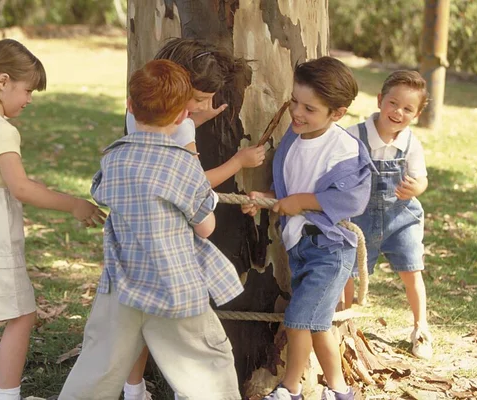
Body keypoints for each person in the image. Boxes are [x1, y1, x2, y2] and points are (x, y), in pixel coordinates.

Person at [58, 59, 244, 400]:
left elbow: (100, 191)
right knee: (206, 367)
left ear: (130, 107)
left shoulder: (113, 159)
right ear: (181, 116)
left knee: (98, 365)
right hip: (176, 286)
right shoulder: (184, 164)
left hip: (123, 285)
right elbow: (205, 228)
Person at [0, 39, 105, 400]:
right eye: (27, 90)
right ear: (2, 81)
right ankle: (8, 395)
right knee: (22, 317)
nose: (29, 99)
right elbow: (21, 190)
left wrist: (29, 183)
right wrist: (73, 204)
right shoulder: (2, 130)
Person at [123, 38, 265, 400]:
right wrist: (239, 162)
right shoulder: (182, 129)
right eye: (199, 98)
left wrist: (198, 114)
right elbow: (193, 183)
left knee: (137, 315)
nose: (203, 106)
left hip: (133, 234)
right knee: (190, 330)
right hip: (171, 241)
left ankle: (133, 385)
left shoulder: (139, 111)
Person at [241, 57, 373, 400]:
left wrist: (303, 201)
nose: (297, 113)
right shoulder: (294, 137)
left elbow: (351, 198)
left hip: (329, 250)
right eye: (294, 102)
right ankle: (342, 392)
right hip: (300, 249)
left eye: (309, 108)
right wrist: (267, 198)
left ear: (337, 114)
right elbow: (289, 191)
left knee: (298, 319)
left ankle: (290, 389)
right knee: (316, 326)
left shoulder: (344, 149)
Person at [343, 70, 432, 359]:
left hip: (400, 217)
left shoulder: (410, 144)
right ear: (380, 100)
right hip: (359, 217)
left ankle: (421, 328)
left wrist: (415, 187)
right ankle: (344, 323)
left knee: (411, 270)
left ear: (416, 114)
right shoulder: (353, 136)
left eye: (408, 109)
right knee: (348, 270)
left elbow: (422, 179)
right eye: (393, 103)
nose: (398, 112)